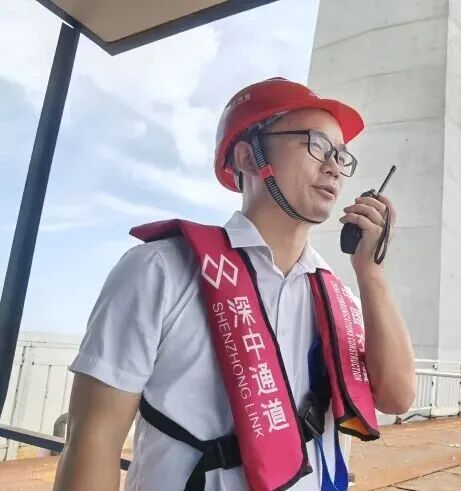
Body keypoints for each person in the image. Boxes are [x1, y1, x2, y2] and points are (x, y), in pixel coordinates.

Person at [53, 77, 416, 490]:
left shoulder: (335, 298)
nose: (334, 166)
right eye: (315, 144)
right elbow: (92, 441)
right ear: (247, 157)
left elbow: (396, 397)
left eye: (341, 154)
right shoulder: (161, 270)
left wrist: (370, 272)